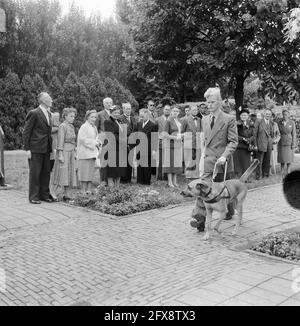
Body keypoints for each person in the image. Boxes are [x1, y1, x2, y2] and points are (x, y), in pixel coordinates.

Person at [191, 87, 238, 231]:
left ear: (218, 102)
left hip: (222, 161)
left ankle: (229, 210)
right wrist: (201, 159)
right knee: (202, 189)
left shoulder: (229, 119)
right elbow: (205, 142)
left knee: (225, 191)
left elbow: (233, 141)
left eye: (211, 102)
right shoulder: (205, 119)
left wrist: (224, 156)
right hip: (208, 161)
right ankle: (199, 219)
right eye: (207, 102)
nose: (208, 105)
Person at [23, 92, 55, 204]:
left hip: (46, 147)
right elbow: (27, 131)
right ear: (43, 100)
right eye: (49, 98)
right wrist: (27, 149)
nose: (51, 100)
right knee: (35, 173)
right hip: (35, 147)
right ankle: (33, 196)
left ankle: (44, 195)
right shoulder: (34, 113)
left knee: (46, 171)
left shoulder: (49, 114)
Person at [52, 108, 77, 201]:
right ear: (65, 116)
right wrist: (60, 154)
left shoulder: (71, 126)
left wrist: (75, 151)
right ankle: (53, 191)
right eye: (71, 116)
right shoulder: (62, 126)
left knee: (69, 172)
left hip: (71, 151)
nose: (73, 118)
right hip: (64, 151)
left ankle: (66, 193)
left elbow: (73, 140)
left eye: (74, 116)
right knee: (61, 171)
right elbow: (60, 140)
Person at [104, 105, 127, 188]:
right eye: (115, 112)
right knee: (112, 170)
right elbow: (111, 135)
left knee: (119, 170)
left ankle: (117, 188)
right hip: (112, 149)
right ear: (111, 113)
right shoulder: (108, 121)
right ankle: (111, 189)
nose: (117, 114)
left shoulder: (119, 121)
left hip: (120, 149)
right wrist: (123, 140)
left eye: (118, 113)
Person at [77, 110, 100, 193]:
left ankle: (89, 189)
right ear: (87, 117)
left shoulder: (94, 127)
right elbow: (82, 139)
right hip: (85, 152)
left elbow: (96, 138)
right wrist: (94, 143)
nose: (94, 119)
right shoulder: (84, 127)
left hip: (92, 152)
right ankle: (83, 190)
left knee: (90, 171)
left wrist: (98, 142)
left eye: (95, 117)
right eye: (92, 117)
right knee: (84, 172)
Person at [163, 105, 183, 188]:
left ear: (178, 113)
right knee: (170, 163)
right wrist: (175, 137)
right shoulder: (168, 121)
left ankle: (175, 181)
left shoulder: (177, 120)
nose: (175, 112)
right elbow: (165, 134)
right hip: (170, 145)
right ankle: (170, 182)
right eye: (174, 111)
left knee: (176, 163)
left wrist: (182, 135)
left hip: (177, 145)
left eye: (177, 111)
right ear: (171, 112)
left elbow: (178, 133)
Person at [136, 109, 158, 185]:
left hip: (148, 148)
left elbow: (155, 138)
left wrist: (154, 150)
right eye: (140, 115)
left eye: (143, 115)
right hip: (139, 147)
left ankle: (146, 181)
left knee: (147, 165)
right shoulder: (138, 123)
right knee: (139, 165)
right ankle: (140, 181)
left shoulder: (153, 125)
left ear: (147, 114)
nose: (141, 116)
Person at [95, 97, 113, 185]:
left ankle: (111, 180)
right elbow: (96, 128)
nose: (109, 104)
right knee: (103, 161)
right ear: (104, 104)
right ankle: (103, 181)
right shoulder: (99, 114)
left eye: (110, 103)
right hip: (103, 140)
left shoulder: (115, 114)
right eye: (107, 103)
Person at [181, 105, 202, 179]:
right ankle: (189, 175)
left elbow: (200, 131)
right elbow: (181, 131)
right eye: (193, 110)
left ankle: (196, 175)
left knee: (197, 159)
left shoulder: (199, 119)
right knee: (189, 160)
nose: (195, 111)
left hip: (198, 143)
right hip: (189, 143)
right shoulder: (185, 120)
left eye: (196, 110)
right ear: (189, 111)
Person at [233, 109, 254, 178]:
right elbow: (234, 135)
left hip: (247, 147)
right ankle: (237, 178)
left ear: (248, 116)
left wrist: (250, 140)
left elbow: (254, 134)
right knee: (238, 163)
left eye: (245, 115)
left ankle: (246, 178)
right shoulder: (236, 124)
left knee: (246, 163)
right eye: (242, 115)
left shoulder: (251, 124)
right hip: (239, 146)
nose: (243, 117)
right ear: (240, 116)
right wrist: (243, 139)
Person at [253, 109, 274, 179]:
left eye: (269, 114)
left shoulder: (271, 122)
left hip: (269, 144)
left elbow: (271, 134)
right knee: (260, 161)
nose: (268, 115)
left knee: (267, 160)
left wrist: (272, 142)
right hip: (260, 143)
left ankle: (265, 174)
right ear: (264, 114)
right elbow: (254, 134)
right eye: (267, 114)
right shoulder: (258, 121)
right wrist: (255, 145)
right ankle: (258, 176)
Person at [120, 102, 138, 183]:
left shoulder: (133, 119)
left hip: (132, 143)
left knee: (130, 160)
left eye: (129, 109)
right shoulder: (120, 118)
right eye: (127, 109)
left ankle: (128, 179)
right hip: (123, 143)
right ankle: (123, 179)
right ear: (123, 109)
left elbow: (136, 130)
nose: (128, 110)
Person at [278, 110, 297, 177]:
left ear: (288, 115)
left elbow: (294, 134)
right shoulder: (279, 122)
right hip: (281, 141)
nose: (284, 116)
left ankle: (288, 170)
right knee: (282, 157)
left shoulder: (292, 123)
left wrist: (293, 144)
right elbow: (277, 132)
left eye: (286, 114)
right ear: (282, 115)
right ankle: (282, 170)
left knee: (289, 157)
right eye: (283, 114)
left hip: (289, 141)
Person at [156, 104, 171, 181]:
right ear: (163, 110)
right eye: (166, 109)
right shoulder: (158, 119)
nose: (167, 111)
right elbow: (155, 131)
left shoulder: (172, 119)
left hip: (169, 143)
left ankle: (166, 177)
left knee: (167, 161)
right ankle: (159, 176)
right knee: (160, 160)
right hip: (161, 142)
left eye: (168, 109)